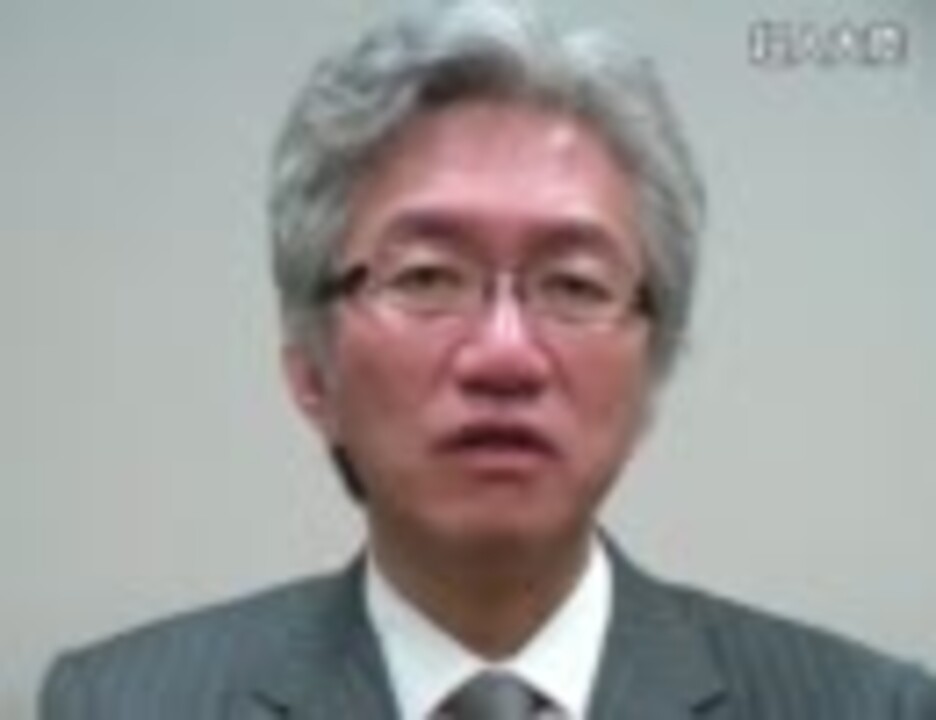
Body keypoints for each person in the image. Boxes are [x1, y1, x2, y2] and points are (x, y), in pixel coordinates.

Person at [41, 1, 936, 718]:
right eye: (428, 276)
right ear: (311, 373)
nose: (505, 355)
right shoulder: (121, 703)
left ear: (652, 373)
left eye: (575, 285)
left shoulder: (868, 706)